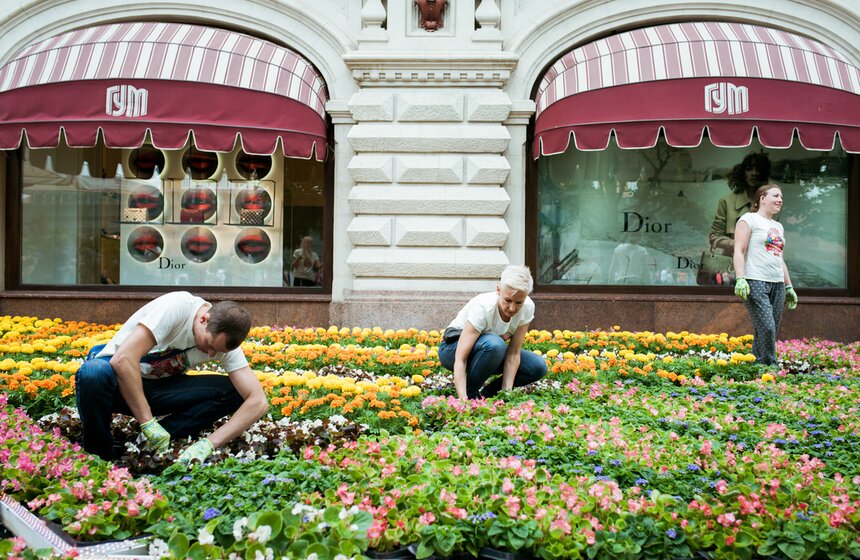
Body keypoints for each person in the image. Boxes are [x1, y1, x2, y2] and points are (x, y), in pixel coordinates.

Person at [75, 291, 268, 463]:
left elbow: (258, 401)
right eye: (209, 345)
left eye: (216, 351)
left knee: (234, 392)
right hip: (118, 383)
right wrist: (147, 422)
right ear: (203, 319)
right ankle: (100, 456)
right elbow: (123, 360)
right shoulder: (177, 306)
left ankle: (150, 441)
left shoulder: (221, 341)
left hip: (159, 390)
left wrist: (209, 444)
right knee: (93, 373)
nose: (211, 354)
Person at [438, 265, 548, 400]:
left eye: (519, 302)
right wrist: (463, 399)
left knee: (537, 366)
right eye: (507, 300)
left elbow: (513, 354)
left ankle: (488, 395)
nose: (512, 308)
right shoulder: (484, 307)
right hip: (452, 350)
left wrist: (505, 394)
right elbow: (460, 359)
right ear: (498, 290)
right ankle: (471, 395)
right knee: (495, 344)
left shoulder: (528, 307)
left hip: (490, 352)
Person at [733, 184, 798, 366]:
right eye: (776, 196)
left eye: (782, 198)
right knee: (768, 328)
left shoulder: (778, 226)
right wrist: (740, 278)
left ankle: (757, 365)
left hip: (777, 283)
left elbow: (780, 259)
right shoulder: (748, 219)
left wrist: (789, 286)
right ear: (762, 198)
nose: (780, 200)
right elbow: (738, 250)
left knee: (768, 329)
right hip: (755, 281)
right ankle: (771, 365)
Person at [709, 153, 771, 256]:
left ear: (763, 173)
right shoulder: (726, 201)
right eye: (749, 169)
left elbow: (773, 239)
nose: (754, 173)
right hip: (732, 263)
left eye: (758, 169)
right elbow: (714, 237)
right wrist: (734, 244)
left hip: (760, 263)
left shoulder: (770, 203)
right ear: (743, 173)